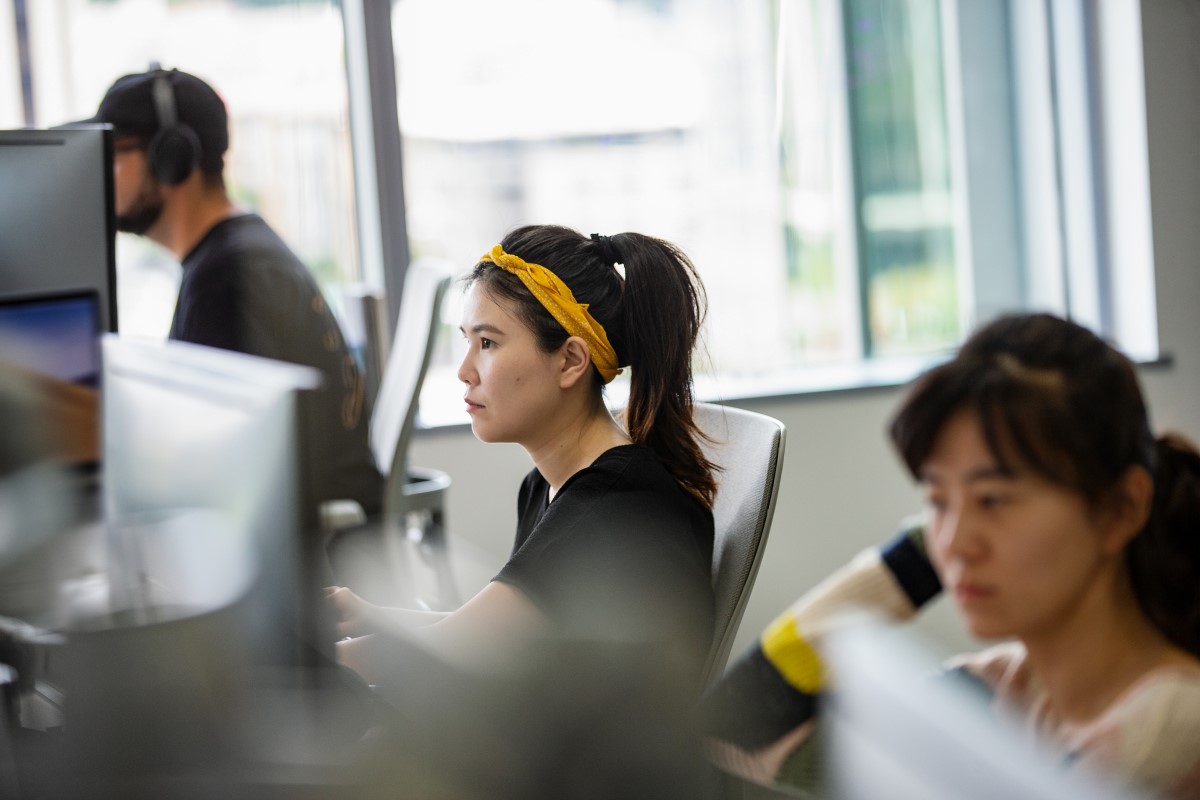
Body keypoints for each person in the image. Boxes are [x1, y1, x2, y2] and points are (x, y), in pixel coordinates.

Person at [701, 313, 1200, 799]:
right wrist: (917, 561)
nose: (956, 543)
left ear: (1121, 510)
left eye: (994, 500)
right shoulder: (1007, 686)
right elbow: (735, 730)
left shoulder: (1168, 733)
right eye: (936, 501)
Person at [328, 224, 718, 694]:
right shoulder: (549, 485)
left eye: (487, 343)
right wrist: (371, 613)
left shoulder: (614, 505)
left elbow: (448, 648)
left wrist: (314, 662)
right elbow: (487, 635)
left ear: (571, 361)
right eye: (466, 341)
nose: (464, 370)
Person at [75, 66, 381, 515]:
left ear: (170, 157)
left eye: (114, 154)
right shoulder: (235, 254)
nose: (100, 175)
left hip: (321, 560)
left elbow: (223, 473)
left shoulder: (226, 279)